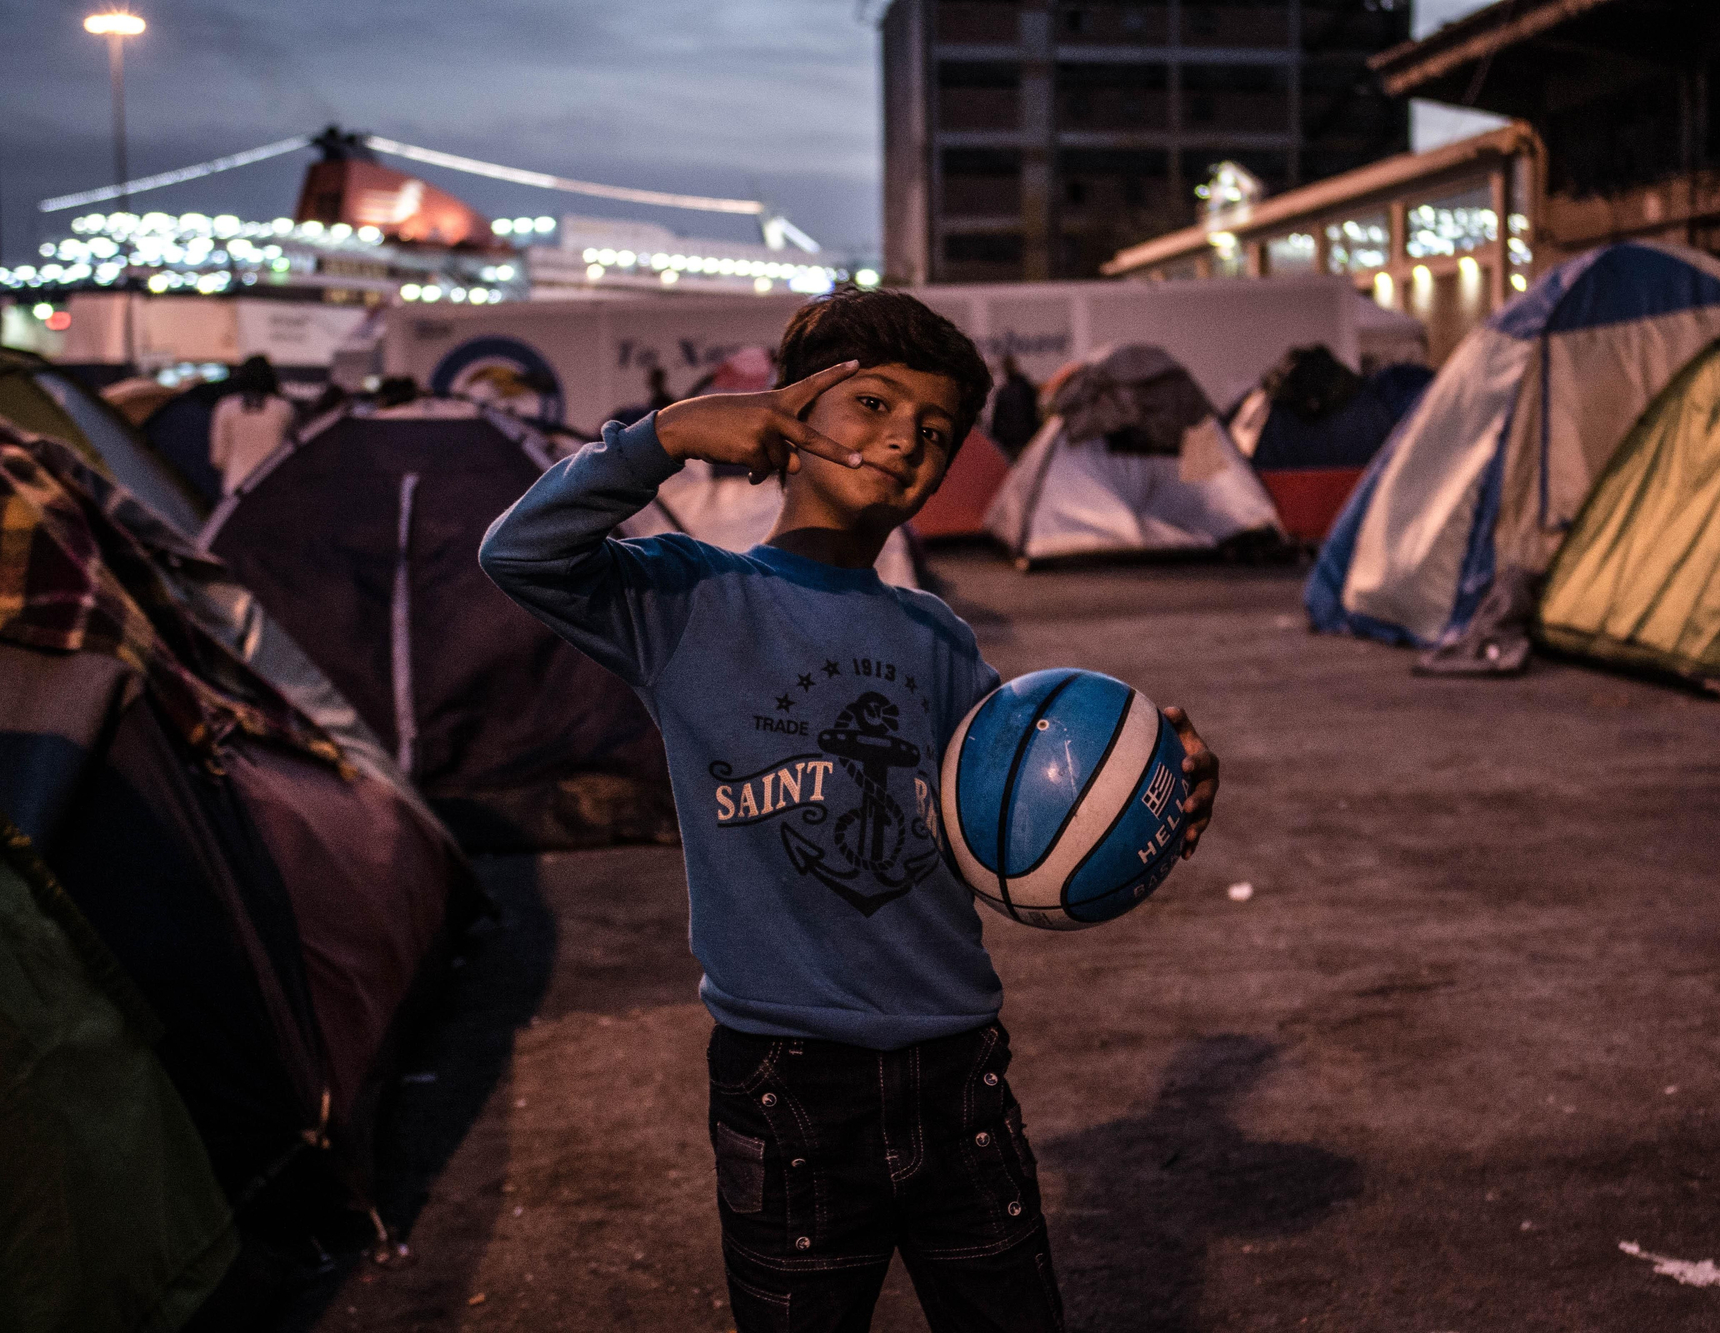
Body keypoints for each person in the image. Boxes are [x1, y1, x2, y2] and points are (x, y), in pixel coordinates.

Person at [480, 288, 1220, 1332]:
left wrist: (1141, 788)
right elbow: (519, 552)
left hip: (956, 1068)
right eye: (870, 403)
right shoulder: (686, 600)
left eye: (933, 432)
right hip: (786, 1085)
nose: (902, 443)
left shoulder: (938, 639)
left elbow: (997, 829)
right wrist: (666, 434)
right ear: (789, 410)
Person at [208, 354, 294, 493]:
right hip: (274, 486)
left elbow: (218, 458)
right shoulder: (284, 408)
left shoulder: (226, 407)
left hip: (236, 487)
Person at [988, 353, 1040, 457]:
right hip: (1024, 440)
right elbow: (1033, 414)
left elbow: (997, 421)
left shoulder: (1004, 392)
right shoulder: (1025, 388)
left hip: (1009, 442)